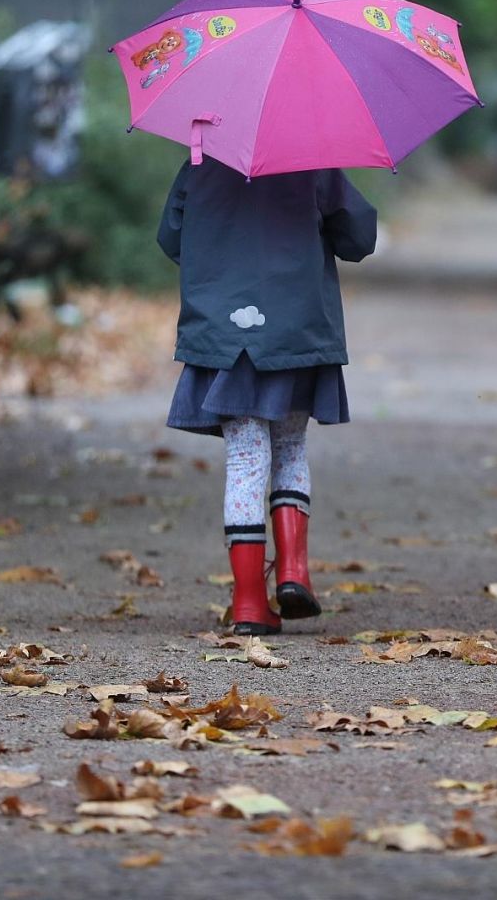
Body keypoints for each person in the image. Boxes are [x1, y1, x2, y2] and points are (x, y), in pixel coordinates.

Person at [157, 157, 377, 635]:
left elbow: (171, 238)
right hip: (295, 331)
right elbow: (359, 238)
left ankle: (249, 602)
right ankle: (294, 571)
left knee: (245, 460)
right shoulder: (313, 160)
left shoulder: (200, 160)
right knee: (290, 446)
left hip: (225, 333)